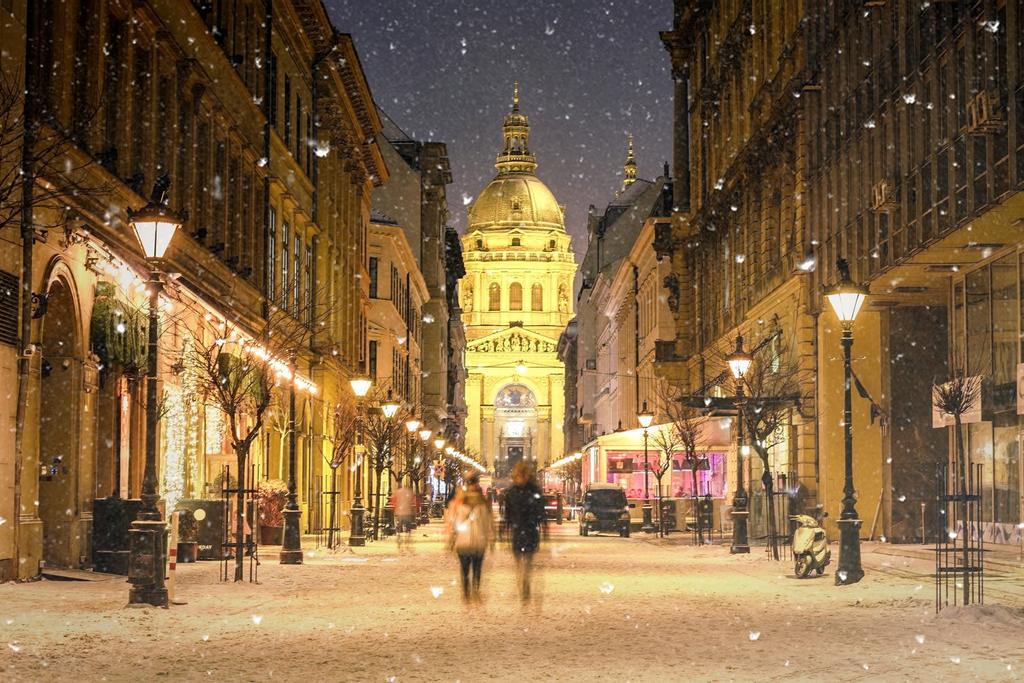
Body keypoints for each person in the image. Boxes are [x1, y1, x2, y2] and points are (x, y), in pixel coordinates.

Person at [443, 472, 494, 602]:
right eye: (471, 483)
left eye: (473, 483)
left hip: (476, 540)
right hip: (465, 540)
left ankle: (475, 590)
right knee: (466, 568)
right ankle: (467, 592)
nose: (472, 486)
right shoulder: (461, 502)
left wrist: (490, 536)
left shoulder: (481, 502)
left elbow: (488, 521)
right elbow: (452, 521)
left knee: (476, 568)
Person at [503, 461, 545, 603]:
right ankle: (522, 581)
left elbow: (540, 512)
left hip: (528, 530)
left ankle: (524, 583)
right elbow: (507, 514)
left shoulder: (518, 491)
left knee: (526, 561)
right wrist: (504, 529)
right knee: (520, 563)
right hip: (519, 530)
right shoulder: (516, 492)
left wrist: (543, 526)